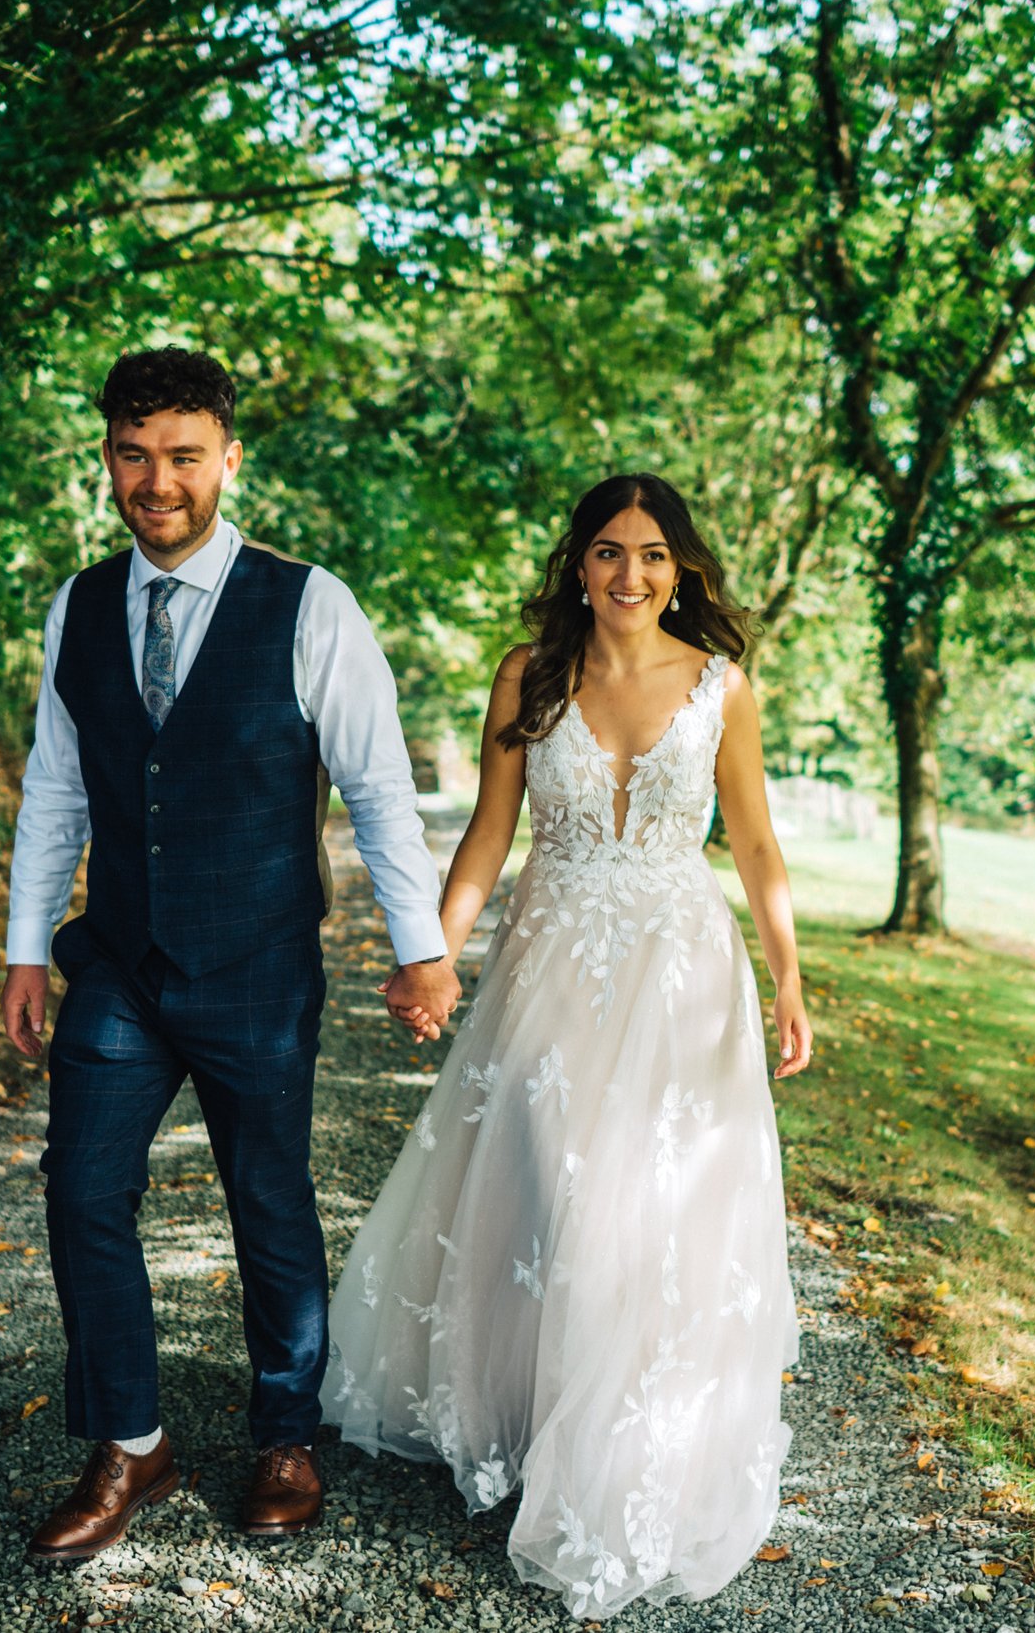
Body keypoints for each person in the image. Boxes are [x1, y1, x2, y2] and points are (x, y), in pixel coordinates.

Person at [322, 472, 814, 1619]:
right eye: (605, 551)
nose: (627, 574)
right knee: (556, 1196)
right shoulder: (528, 675)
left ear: (681, 567)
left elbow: (752, 841)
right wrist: (430, 953)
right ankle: (528, 1416)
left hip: (682, 974)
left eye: (649, 554)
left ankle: (618, 1458)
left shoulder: (722, 687)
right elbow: (490, 839)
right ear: (577, 564)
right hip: (553, 965)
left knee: (650, 1208)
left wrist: (790, 979)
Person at [0, 347, 460, 1567]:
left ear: (227, 458)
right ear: (107, 455)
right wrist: (24, 948)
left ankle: (284, 1433)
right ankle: (131, 1444)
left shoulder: (311, 604)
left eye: (184, 455)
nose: (158, 481)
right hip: (116, 967)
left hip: (257, 963)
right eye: (134, 454)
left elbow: (377, 788)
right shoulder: (79, 606)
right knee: (81, 1188)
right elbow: (56, 785)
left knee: (268, 1199)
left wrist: (420, 949)